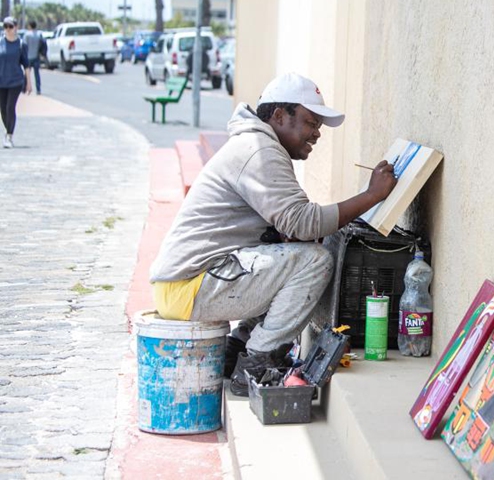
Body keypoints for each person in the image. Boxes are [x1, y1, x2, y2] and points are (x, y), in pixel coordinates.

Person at [149, 72, 397, 396]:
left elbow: (290, 227)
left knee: (291, 256)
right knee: (315, 261)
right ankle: (256, 363)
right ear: (279, 116)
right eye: (310, 122)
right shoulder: (258, 150)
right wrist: (372, 196)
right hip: (189, 286)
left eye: (319, 126)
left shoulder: (258, 145)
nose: (316, 133)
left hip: (186, 285)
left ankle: (236, 349)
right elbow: (303, 221)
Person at [0, 16, 31, 148]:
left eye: (10, 26)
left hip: (16, 81)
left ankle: (9, 135)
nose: (7, 29)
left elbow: (26, 65)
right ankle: (8, 131)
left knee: (10, 107)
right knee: (3, 109)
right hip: (1, 81)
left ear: (16, 28)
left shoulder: (21, 44)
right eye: (5, 27)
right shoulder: (0, 42)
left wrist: (29, 82)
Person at [22, 20, 44, 95]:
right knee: (37, 74)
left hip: (28, 57)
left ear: (30, 26)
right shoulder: (39, 34)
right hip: (36, 56)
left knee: (26, 74)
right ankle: (38, 89)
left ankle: (24, 88)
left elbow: (24, 45)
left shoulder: (27, 35)